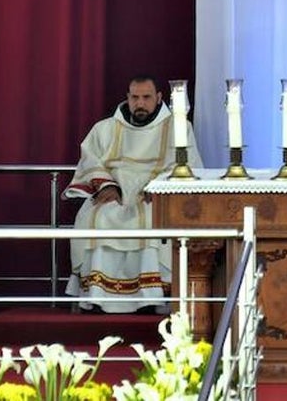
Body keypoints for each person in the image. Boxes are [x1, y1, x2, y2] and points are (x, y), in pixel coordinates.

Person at [64, 75, 203, 313]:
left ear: (159, 98)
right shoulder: (105, 128)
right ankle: (99, 294)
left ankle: (151, 296)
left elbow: (185, 165)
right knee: (97, 218)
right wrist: (106, 186)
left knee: (150, 220)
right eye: (135, 97)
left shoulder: (178, 127)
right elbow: (90, 159)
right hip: (113, 190)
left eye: (147, 97)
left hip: (154, 193)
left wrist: (159, 187)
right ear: (127, 98)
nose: (140, 103)